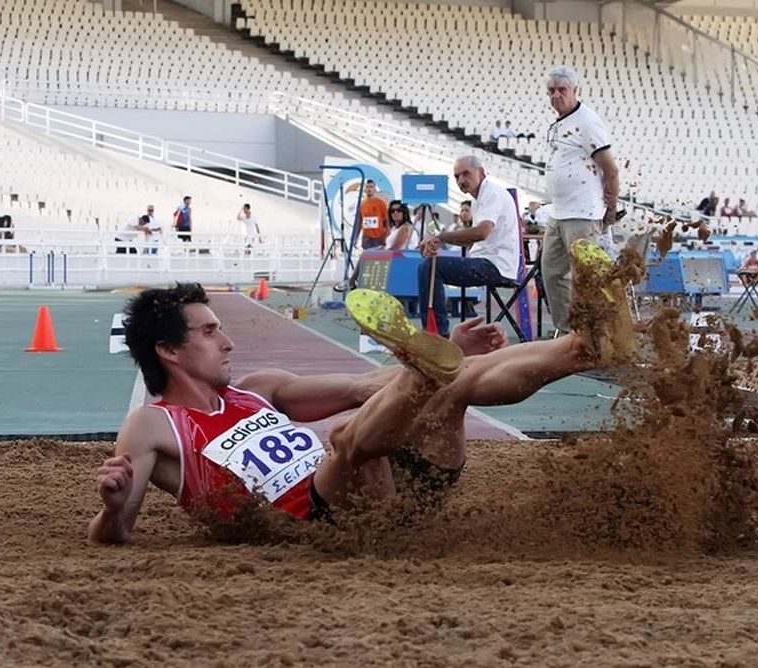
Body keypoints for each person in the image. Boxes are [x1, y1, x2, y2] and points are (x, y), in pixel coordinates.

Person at [88, 263, 628, 543]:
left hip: (403, 494)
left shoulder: (259, 388)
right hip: (322, 521)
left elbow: (364, 388)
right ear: (168, 350)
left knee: (451, 388)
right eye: (208, 332)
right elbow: (117, 534)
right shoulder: (154, 425)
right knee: (347, 443)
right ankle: (421, 371)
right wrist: (113, 510)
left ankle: (584, 346)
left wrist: (452, 358)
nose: (227, 342)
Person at [541, 65, 620, 335]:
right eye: (551, 91)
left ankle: (594, 335)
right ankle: (567, 332)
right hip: (559, 211)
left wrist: (611, 207)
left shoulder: (587, 121)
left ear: (575, 91)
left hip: (583, 213)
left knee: (585, 277)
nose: (556, 96)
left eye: (562, 90)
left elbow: (610, 169)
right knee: (551, 273)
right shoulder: (560, 123)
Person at [417, 155, 521, 338]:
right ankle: (435, 332)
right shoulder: (479, 197)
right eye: (457, 177)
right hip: (487, 260)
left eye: (466, 174)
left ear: (481, 172)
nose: (461, 180)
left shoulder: (492, 193)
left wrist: (440, 236)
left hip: (496, 265)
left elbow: (481, 233)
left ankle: (437, 335)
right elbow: (471, 240)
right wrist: (440, 241)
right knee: (430, 265)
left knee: (429, 267)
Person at [335, 180, 389, 291]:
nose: (369, 189)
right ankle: (363, 282)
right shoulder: (362, 204)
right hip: (367, 237)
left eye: (371, 187)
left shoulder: (380, 203)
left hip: (378, 236)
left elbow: (386, 221)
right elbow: (359, 222)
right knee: (366, 258)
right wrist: (355, 238)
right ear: (365, 189)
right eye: (367, 187)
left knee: (376, 259)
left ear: (374, 189)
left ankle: (371, 283)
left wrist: (386, 236)